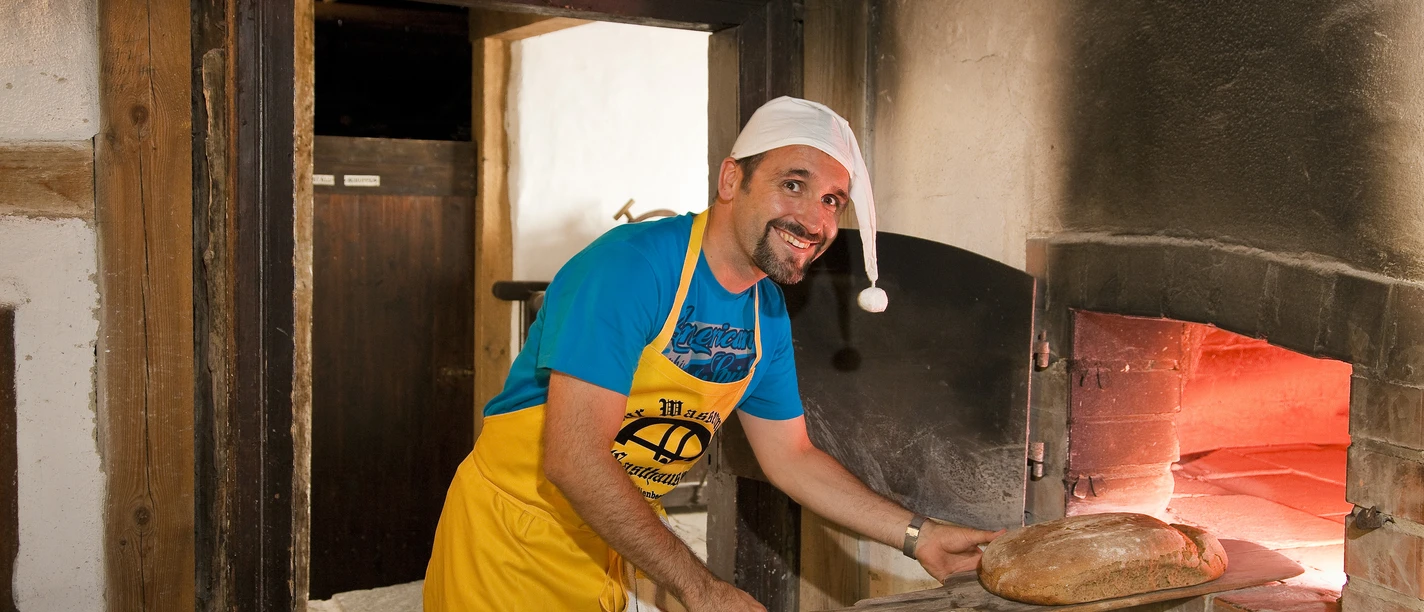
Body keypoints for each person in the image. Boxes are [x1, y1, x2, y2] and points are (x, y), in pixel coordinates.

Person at [424, 96, 1003, 611]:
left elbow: (792, 457)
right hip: (510, 543)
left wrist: (918, 535)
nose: (816, 220)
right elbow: (574, 460)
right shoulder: (632, 268)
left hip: (607, 541)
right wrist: (702, 589)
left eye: (833, 200)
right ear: (732, 180)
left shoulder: (765, 312)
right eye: (793, 184)